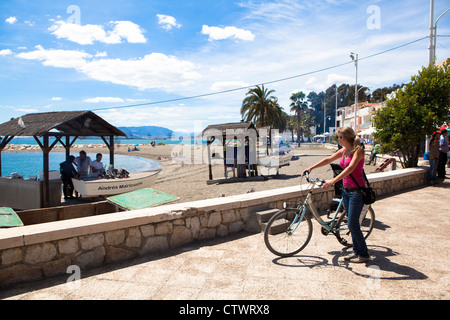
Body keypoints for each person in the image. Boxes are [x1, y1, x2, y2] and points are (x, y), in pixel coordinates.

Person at [302, 126, 370, 263]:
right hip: (346, 190)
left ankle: (363, 254)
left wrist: (332, 181)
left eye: (338, 137)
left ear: (343, 138)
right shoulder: (344, 151)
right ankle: (356, 251)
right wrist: (311, 167)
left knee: (353, 224)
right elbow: (328, 159)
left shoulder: (358, 151)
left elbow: (350, 168)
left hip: (356, 192)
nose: (337, 139)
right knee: (352, 223)